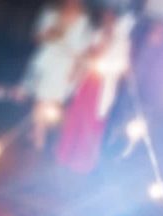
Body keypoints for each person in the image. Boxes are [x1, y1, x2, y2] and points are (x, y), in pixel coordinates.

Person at [55, 9, 135, 172]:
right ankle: (65, 155)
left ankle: (82, 162)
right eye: (105, 18)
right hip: (86, 83)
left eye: (111, 19)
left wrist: (101, 65)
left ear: (116, 21)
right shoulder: (97, 35)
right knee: (74, 119)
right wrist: (83, 65)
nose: (107, 22)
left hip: (102, 87)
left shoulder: (122, 41)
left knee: (91, 125)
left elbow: (120, 66)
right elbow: (86, 55)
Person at [22, 0, 92, 150]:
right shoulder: (50, 14)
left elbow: (83, 50)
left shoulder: (84, 21)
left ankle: (48, 134)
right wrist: (51, 32)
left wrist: (77, 70)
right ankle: (38, 134)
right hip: (47, 60)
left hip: (66, 66)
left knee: (56, 102)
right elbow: (37, 37)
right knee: (41, 98)